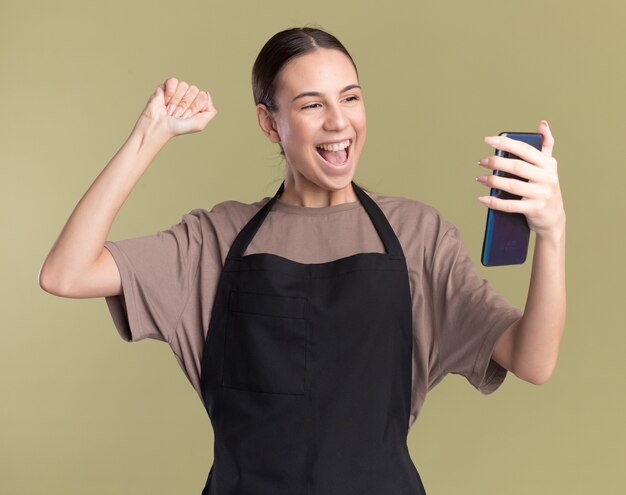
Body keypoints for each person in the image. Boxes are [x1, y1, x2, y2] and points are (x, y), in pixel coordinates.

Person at [39, 27, 566, 495]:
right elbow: (66, 273)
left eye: (351, 98)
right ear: (270, 125)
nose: (339, 123)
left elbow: (533, 361)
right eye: (312, 105)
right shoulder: (215, 240)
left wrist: (552, 234)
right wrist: (149, 134)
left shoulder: (416, 235)